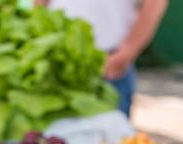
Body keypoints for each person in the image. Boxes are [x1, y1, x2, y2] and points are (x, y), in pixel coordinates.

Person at [34, 0, 168, 116]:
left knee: (108, 142)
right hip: (55, 60)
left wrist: (126, 53)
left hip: (108, 63)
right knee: (46, 142)